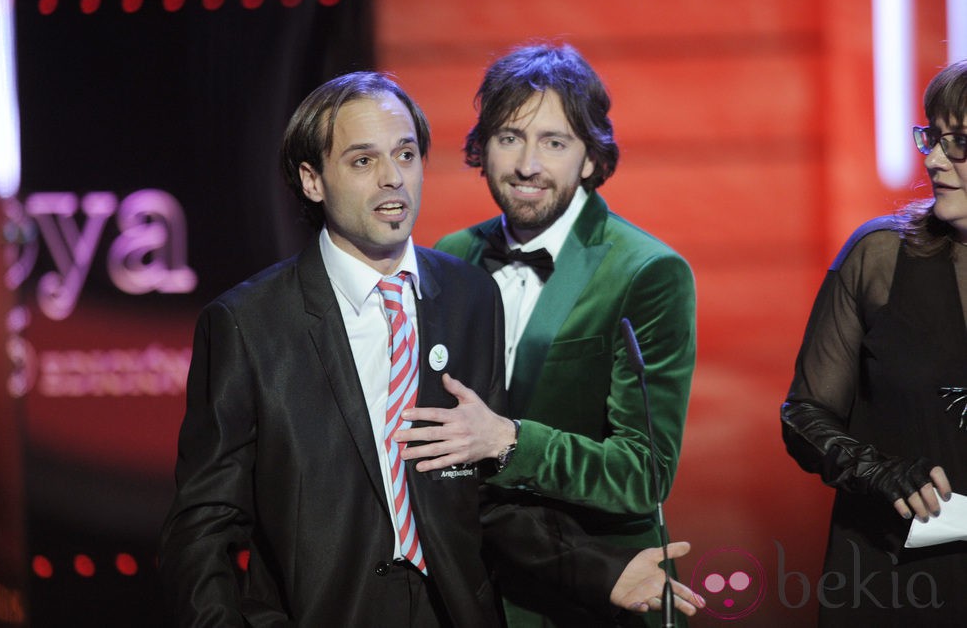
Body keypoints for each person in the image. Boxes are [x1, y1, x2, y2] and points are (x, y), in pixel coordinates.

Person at [158, 71, 702, 626]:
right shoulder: (247, 323)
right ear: (312, 180)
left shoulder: (466, 295)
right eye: (363, 161)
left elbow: (476, 494)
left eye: (407, 154)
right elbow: (204, 525)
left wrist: (600, 569)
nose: (393, 178)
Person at [396, 44, 697, 627]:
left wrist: (507, 440)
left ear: (589, 158)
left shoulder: (647, 271)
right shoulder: (449, 256)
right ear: (482, 149)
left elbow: (644, 473)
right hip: (471, 590)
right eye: (509, 137)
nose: (527, 164)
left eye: (554, 143)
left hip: (599, 595)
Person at [781, 59, 967, 626]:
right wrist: (878, 470)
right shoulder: (880, 257)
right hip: (894, 580)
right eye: (932, 138)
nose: (933, 159)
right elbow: (804, 413)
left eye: (958, 143)